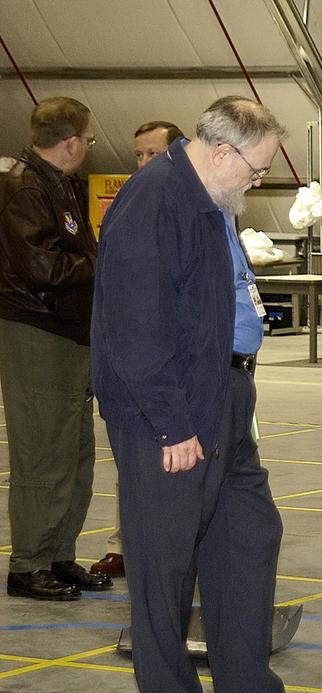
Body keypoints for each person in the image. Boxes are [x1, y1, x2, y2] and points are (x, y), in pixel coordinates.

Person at [93, 96, 322, 693]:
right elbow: (136, 328)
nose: (257, 182)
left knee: (249, 534)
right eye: (254, 169)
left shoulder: (210, 198)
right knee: (164, 559)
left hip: (226, 394)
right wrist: (172, 425)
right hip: (168, 409)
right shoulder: (154, 198)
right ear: (222, 152)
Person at [0, 97, 110, 602]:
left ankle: (58, 554)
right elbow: (41, 269)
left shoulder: (55, 185)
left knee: (74, 451)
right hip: (38, 331)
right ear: (69, 142)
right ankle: (28, 564)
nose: (88, 147)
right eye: (87, 140)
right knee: (43, 451)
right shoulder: (25, 188)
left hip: (66, 331)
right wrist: (101, 264)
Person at [92, 119, 189, 581]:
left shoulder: (191, 201)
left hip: (185, 371)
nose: (143, 164)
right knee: (134, 468)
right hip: (139, 375)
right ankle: (125, 544)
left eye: (153, 154)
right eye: (138, 155)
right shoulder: (135, 202)